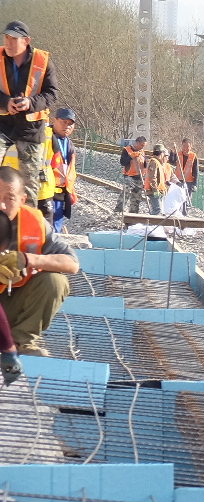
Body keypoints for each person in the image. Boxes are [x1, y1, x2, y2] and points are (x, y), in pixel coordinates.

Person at [0, 164, 77, 359]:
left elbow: (72, 263)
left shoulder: (34, 223)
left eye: (9, 199)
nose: (1, 206)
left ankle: (21, 341)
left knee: (55, 281)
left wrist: (28, 259)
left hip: (10, 305)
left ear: (22, 200)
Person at [0, 22, 56, 208]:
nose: (8, 42)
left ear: (26, 41)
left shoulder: (43, 61)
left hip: (31, 129)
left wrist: (30, 103)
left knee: (30, 183)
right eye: (6, 38)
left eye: (13, 39)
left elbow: (51, 94)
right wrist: (5, 102)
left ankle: (26, 226)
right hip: (3, 125)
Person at [44, 106, 71, 230]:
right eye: (64, 122)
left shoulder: (69, 143)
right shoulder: (45, 137)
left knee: (56, 229)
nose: (67, 126)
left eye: (70, 124)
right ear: (54, 120)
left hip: (60, 195)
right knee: (46, 230)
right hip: (45, 193)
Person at [117, 135, 146, 215]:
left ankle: (133, 214)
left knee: (136, 198)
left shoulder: (142, 151)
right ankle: (118, 211)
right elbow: (122, 162)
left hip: (139, 177)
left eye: (143, 146)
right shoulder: (127, 150)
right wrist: (131, 157)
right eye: (141, 145)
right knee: (125, 194)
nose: (142, 147)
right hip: (129, 176)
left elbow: (143, 163)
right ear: (137, 143)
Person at [143, 144, 171, 216]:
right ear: (161, 153)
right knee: (157, 211)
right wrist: (155, 191)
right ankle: (152, 226)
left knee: (159, 211)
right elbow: (153, 178)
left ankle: (153, 225)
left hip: (159, 191)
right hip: (154, 191)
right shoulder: (154, 162)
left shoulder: (158, 163)